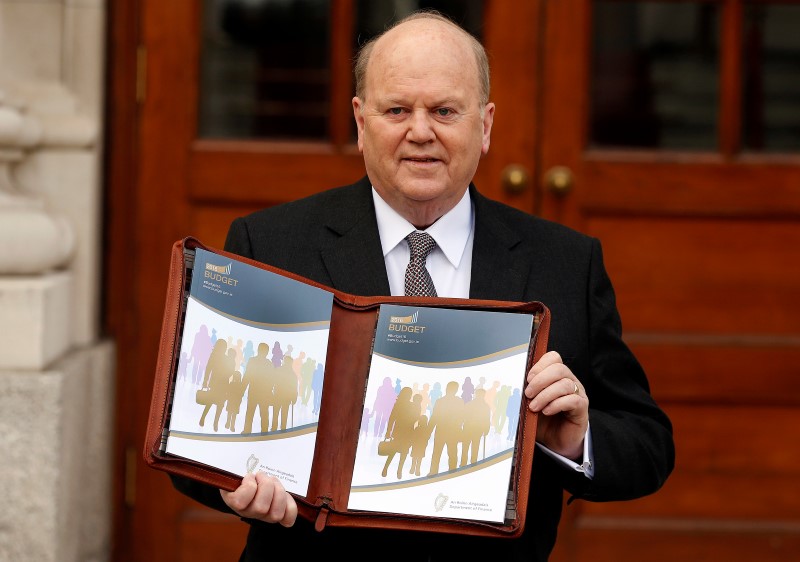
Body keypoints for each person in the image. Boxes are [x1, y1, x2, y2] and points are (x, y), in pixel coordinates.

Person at [170, 9, 674, 561]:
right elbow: (193, 435)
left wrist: (571, 441)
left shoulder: (565, 262)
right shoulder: (269, 244)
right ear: (361, 123)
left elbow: (647, 446)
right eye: (396, 109)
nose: (420, 131)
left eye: (444, 110)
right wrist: (231, 486)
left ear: (484, 126)